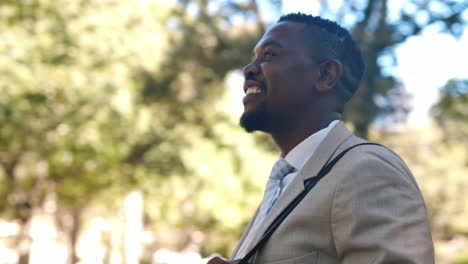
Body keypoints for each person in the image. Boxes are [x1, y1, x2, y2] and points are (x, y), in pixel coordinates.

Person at [208, 13, 434, 264]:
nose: (249, 69)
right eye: (254, 58)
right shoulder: (284, 182)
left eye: (269, 55)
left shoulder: (366, 169)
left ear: (326, 75)